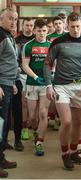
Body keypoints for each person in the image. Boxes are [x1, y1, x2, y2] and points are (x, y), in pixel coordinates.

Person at [44, 12, 81, 170]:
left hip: (80, 87)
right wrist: (49, 85)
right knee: (66, 121)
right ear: (67, 26)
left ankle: (74, 151)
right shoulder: (58, 42)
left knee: (77, 122)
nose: (75, 30)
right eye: (72, 27)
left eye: (78, 26)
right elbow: (48, 63)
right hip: (61, 86)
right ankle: (65, 154)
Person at [22, 18, 50, 156]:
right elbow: (25, 65)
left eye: (44, 31)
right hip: (32, 83)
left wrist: (50, 77)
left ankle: (40, 142)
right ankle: (35, 132)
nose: (42, 33)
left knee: (43, 113)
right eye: (39, 31)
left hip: (46, 84)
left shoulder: (51, 45)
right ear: (34, 31)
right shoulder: (28, 45)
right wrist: (35, 77)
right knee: (33, 117)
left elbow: (55, 64)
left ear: (47, 31)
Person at [0, 8, 18, 178]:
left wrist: (12, 82)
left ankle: (1, 158)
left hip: (7, 85)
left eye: (15, 19)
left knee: (4, 126)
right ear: (1, 19)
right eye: (11, 18)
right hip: (0, 86)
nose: (14, 22)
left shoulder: (8, 36)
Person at [15, 18, 35, 140]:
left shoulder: (37, 39)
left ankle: (35, 127)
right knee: (24, 103)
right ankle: (24, 128)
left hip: (35, 75)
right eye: (27, 25)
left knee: (35, 105)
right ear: (22, 26)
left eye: (31, 25)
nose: (29, 27)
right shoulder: (17, 40)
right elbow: (15, 57)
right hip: (22, 74)